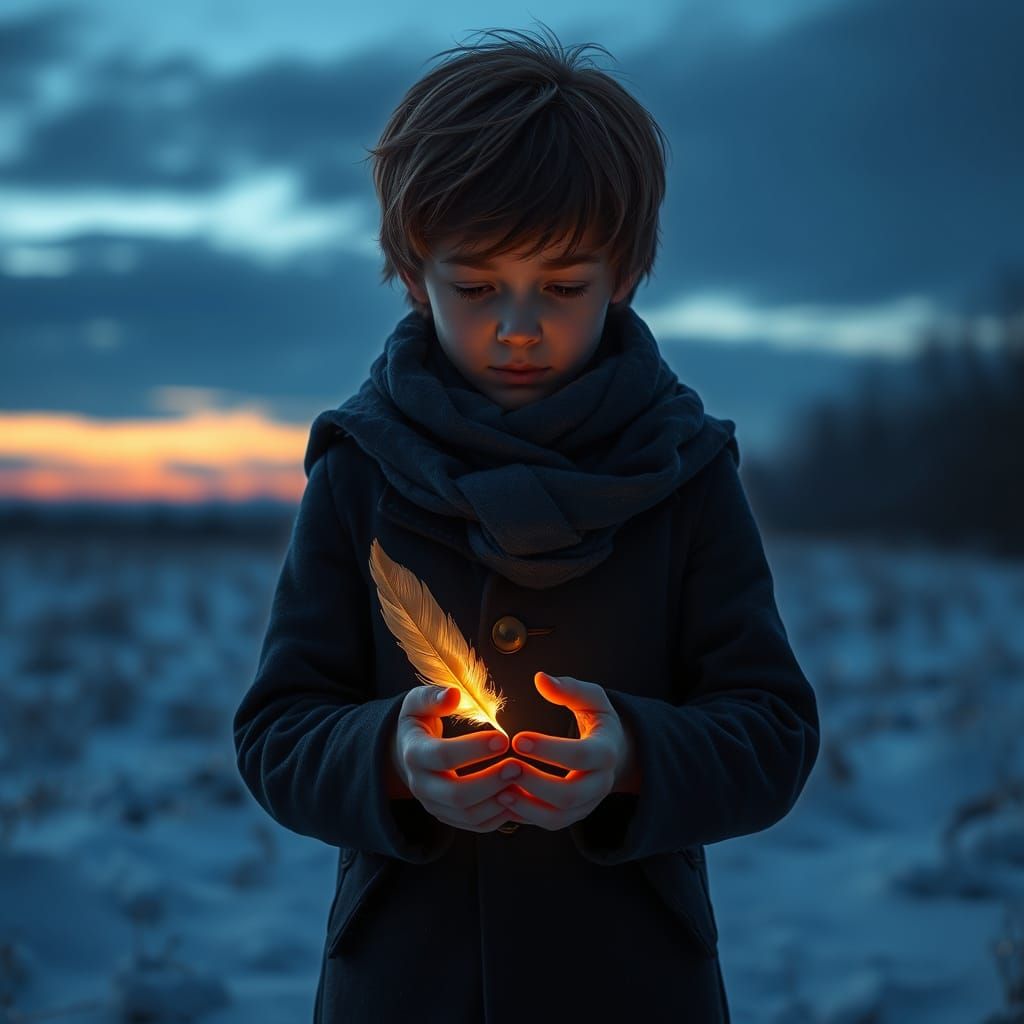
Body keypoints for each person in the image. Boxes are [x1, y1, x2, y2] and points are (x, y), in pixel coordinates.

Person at [232, 23, 820, 1024]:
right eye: (475, 288)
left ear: (623, 274)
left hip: (632, 985)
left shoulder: (685, 472)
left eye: (562, 286)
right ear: (413, 275)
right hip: (407, 987)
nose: (516, 327)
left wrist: (633, 755)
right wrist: (390, 759)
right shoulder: (358, 470)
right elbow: (276, 731)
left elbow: (772, 731)